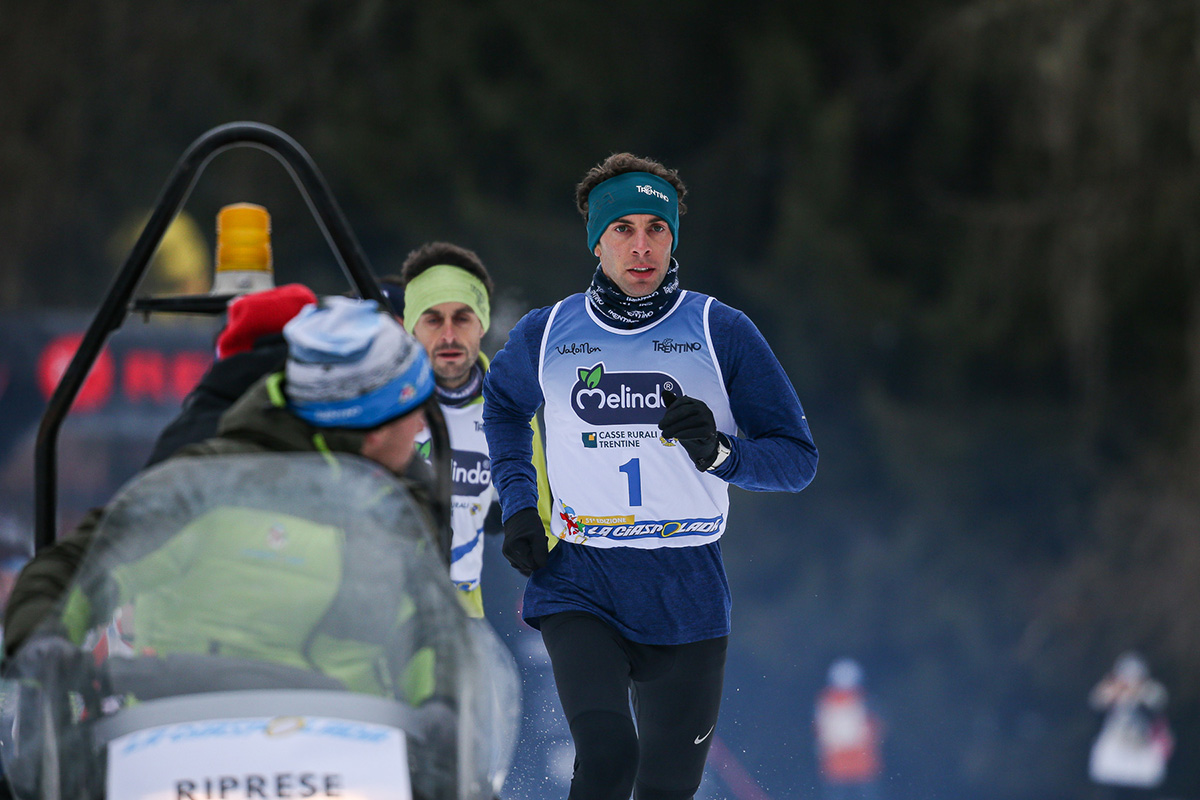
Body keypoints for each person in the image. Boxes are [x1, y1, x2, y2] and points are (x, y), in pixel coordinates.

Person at [482, 152, 818, 800]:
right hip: (582, 577)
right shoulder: (546, 334)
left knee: (666, 789)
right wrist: (520, 503)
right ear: (597, 241)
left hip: (687, 585)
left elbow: (797, 462)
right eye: (623, 229)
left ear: (672, 238)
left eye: (656, 228)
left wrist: (720, 454)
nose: (641, 247)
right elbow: (503, 408)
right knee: (608, 759)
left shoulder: (721, 331)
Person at [2, 297, 436, 683]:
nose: (421, 427)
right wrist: (43, 641)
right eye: (414, 410)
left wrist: (446, 704)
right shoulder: (199, 487)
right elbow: (73, 568)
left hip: (351, 743)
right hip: (181, 734)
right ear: (375, 431)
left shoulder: (399, 512)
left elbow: (431, 638)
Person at [391, 241, 552, 619]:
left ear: (482, 324)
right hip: (383, 610)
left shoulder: (509, 405)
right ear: (411, 326)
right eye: (433, 320)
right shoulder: (386, 399)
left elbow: (543, 523)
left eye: (462, 318)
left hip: (459, 619)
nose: (448, 335)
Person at [1088, 651, 1174, 795]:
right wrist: (1113, 693)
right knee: (1112, 790)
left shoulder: (1150, 691)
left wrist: (1137, 694)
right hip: (1114, 753)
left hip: (1141, 751)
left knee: (1139, 791)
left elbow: (1158, 703)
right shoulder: (1111, 690)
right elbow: (1096, 704)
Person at [814, 658, 885, 800]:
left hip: (846, 765)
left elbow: (819, 731)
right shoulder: (862, 699)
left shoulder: (826, 701)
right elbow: (876, 728)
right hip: (853, 765)